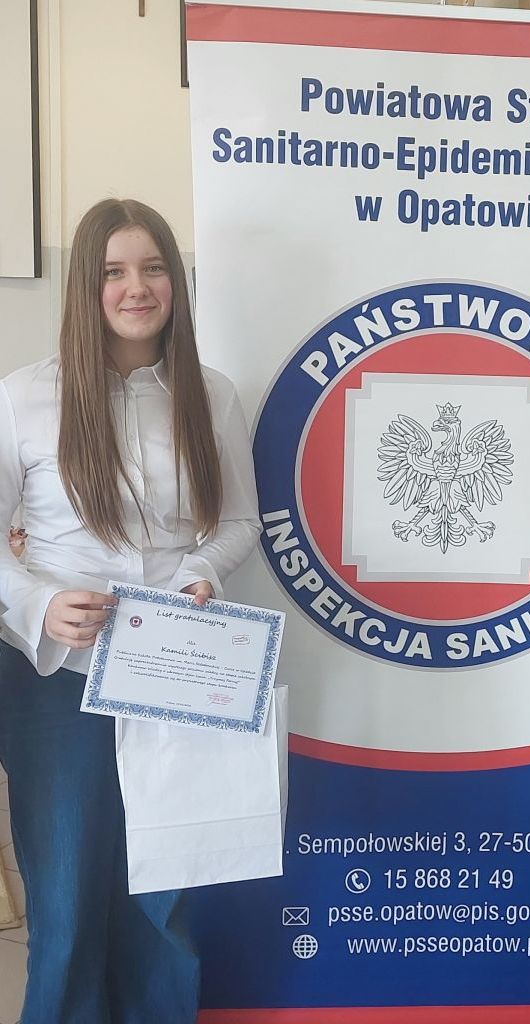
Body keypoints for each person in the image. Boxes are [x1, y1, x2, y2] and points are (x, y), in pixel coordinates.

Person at [0, 198, 261, 1024]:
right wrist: (39, 602)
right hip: (57, 678)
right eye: (113, 271)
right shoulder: (23, 397)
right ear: (87, 284)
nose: (135, 287)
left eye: (152, 268)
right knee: (68, 902)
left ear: (175, 281)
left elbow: (242, 521)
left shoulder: (211, 396)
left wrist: (200, 575)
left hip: (173, 671)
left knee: (164, 896)